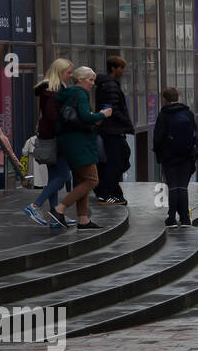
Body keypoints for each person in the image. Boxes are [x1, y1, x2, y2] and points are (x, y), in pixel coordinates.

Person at [50, 67, 114, 230]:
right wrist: (102, 115)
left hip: (69, 142)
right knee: (92, 179)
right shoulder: (80, 94)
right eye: (90, 80)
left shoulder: (69, 94)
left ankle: (83, 219)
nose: (93, 84)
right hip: (80, 143)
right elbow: (86, 117)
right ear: (80, 79)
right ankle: (60, 209)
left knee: (82, 180)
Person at [27, 59, 75, 226]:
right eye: (68, 72)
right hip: (56, 139)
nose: (70, 76)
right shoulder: (54, 91)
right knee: (63, 176)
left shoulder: (48, 90)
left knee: (54, 177)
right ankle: (35, 205)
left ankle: (56, 215)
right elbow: (52, 115)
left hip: (49, 138)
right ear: (60, 72)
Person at [153, 87, 198, 227]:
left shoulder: (164, 114)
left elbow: (157, 138)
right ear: (178, 97)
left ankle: (172, 217)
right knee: (183, 187)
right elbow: (194, 133)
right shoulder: (187, 112)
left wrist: (159, 154)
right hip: (186, 155)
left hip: (169, 156)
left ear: (165, 99)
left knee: (173, 186)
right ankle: (185, 218)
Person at [93, 55, 133, 205]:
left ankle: (112, 192)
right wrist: (126, 122)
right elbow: (112, 108)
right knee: (116, 161)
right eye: (121, 68)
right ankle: (106, 193)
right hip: (112, 130)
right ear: (113, 68)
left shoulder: (108, 84)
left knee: (117, 160)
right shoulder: (110, 85)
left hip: (110, 129)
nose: (123, 71)